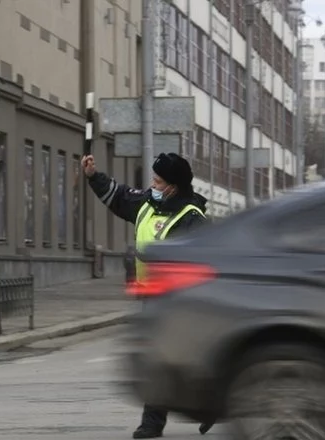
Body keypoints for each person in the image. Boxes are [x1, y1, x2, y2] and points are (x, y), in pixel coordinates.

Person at [82, 152, 210, 439]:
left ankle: (154, 423)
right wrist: (93, 176)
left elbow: (200, 263)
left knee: (166, 360)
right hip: (154, 299)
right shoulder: (149, 204)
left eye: (158, 180)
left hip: (182, 302)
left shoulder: (191, 218)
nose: (152, 184)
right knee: (173, 362)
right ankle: (202, 411)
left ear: (173, 186)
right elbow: (119, 197)